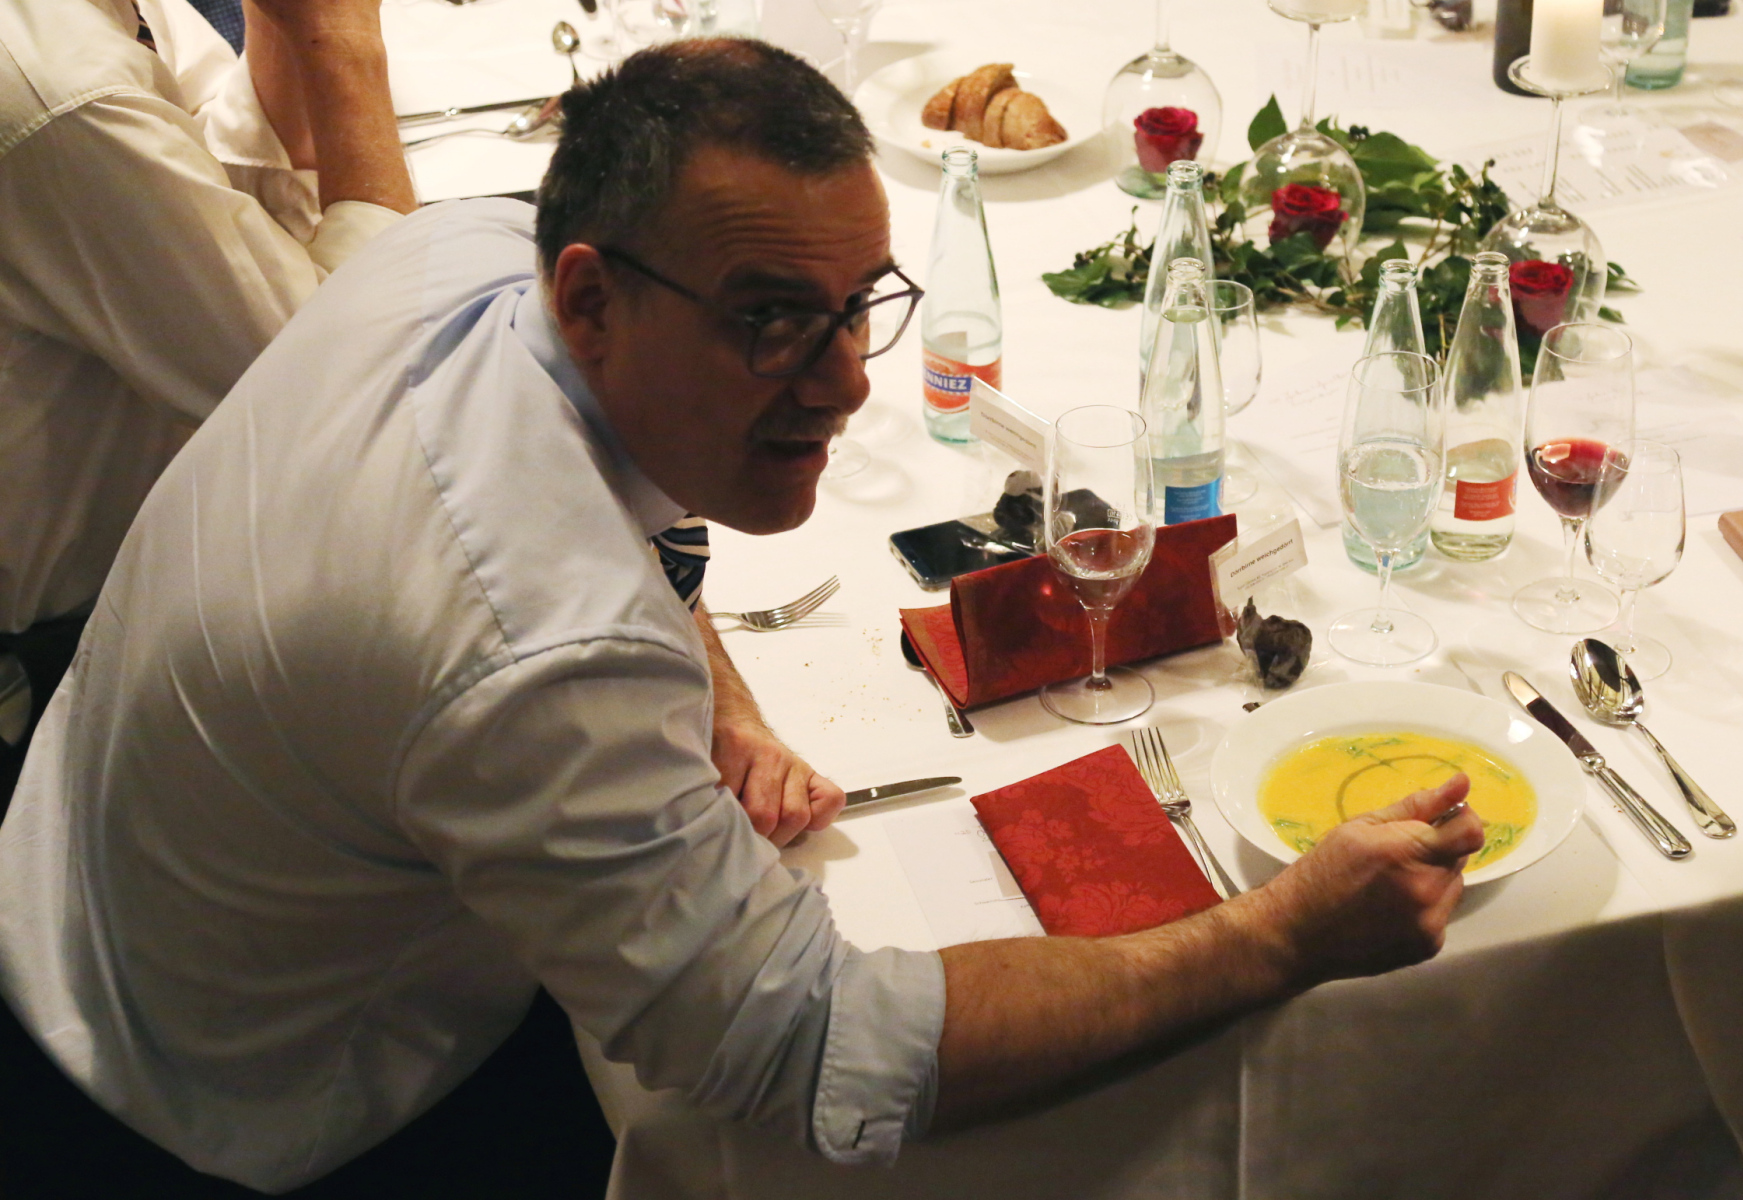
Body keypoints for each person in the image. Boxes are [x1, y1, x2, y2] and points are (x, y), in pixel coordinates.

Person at [0, 37, 1484, 1194]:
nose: (846, 381)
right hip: (211, 1109)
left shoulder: (460, 255)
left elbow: (579, 530)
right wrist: (1275, 936)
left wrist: (716, 689)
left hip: (66, 870)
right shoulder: (538, 657)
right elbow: (824, 1051)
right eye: (769, 318)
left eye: (859, 302)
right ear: (591, 297)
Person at [0, 0, 416, 803]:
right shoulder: (57, 88)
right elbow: (352, 380)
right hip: (73, 678)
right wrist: (346, 51)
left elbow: (212, 180)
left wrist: (289, 32)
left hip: (166, 571)